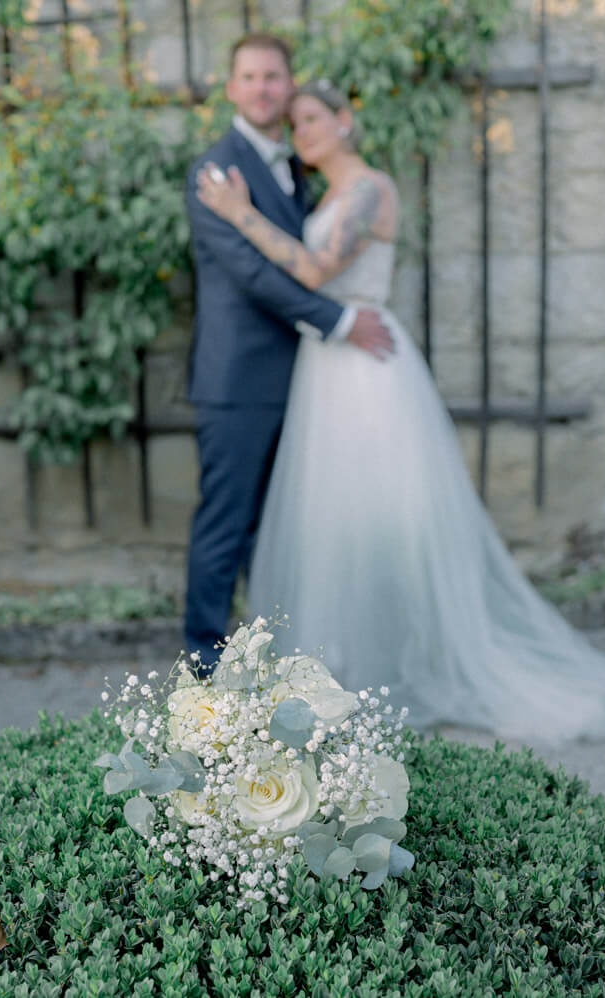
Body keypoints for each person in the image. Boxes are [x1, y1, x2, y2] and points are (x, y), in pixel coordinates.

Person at [194, 78, 605, 744]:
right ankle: (343, 663)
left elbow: (311, 269)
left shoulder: (369, 190)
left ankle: (403, 659)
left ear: (345, 119)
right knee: (335, 520)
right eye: (296, 123)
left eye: (312, 118)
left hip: (367, 368)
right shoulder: (326, 192)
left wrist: (236, 211)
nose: (302, 132)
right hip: (324, 369)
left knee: (392, 517)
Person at [182, 35, 395, 675]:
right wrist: (338, 321)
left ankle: (274, 665)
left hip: (305, 381)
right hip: (239, 379)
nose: (263, 89)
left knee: (285, 534)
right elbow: (254, 273)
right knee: (225, 529)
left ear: (289, 83)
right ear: (231, 88)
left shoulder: (302, 168)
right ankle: (202, 673)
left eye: (274, 77)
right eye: (249, 76)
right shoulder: (216, 172)